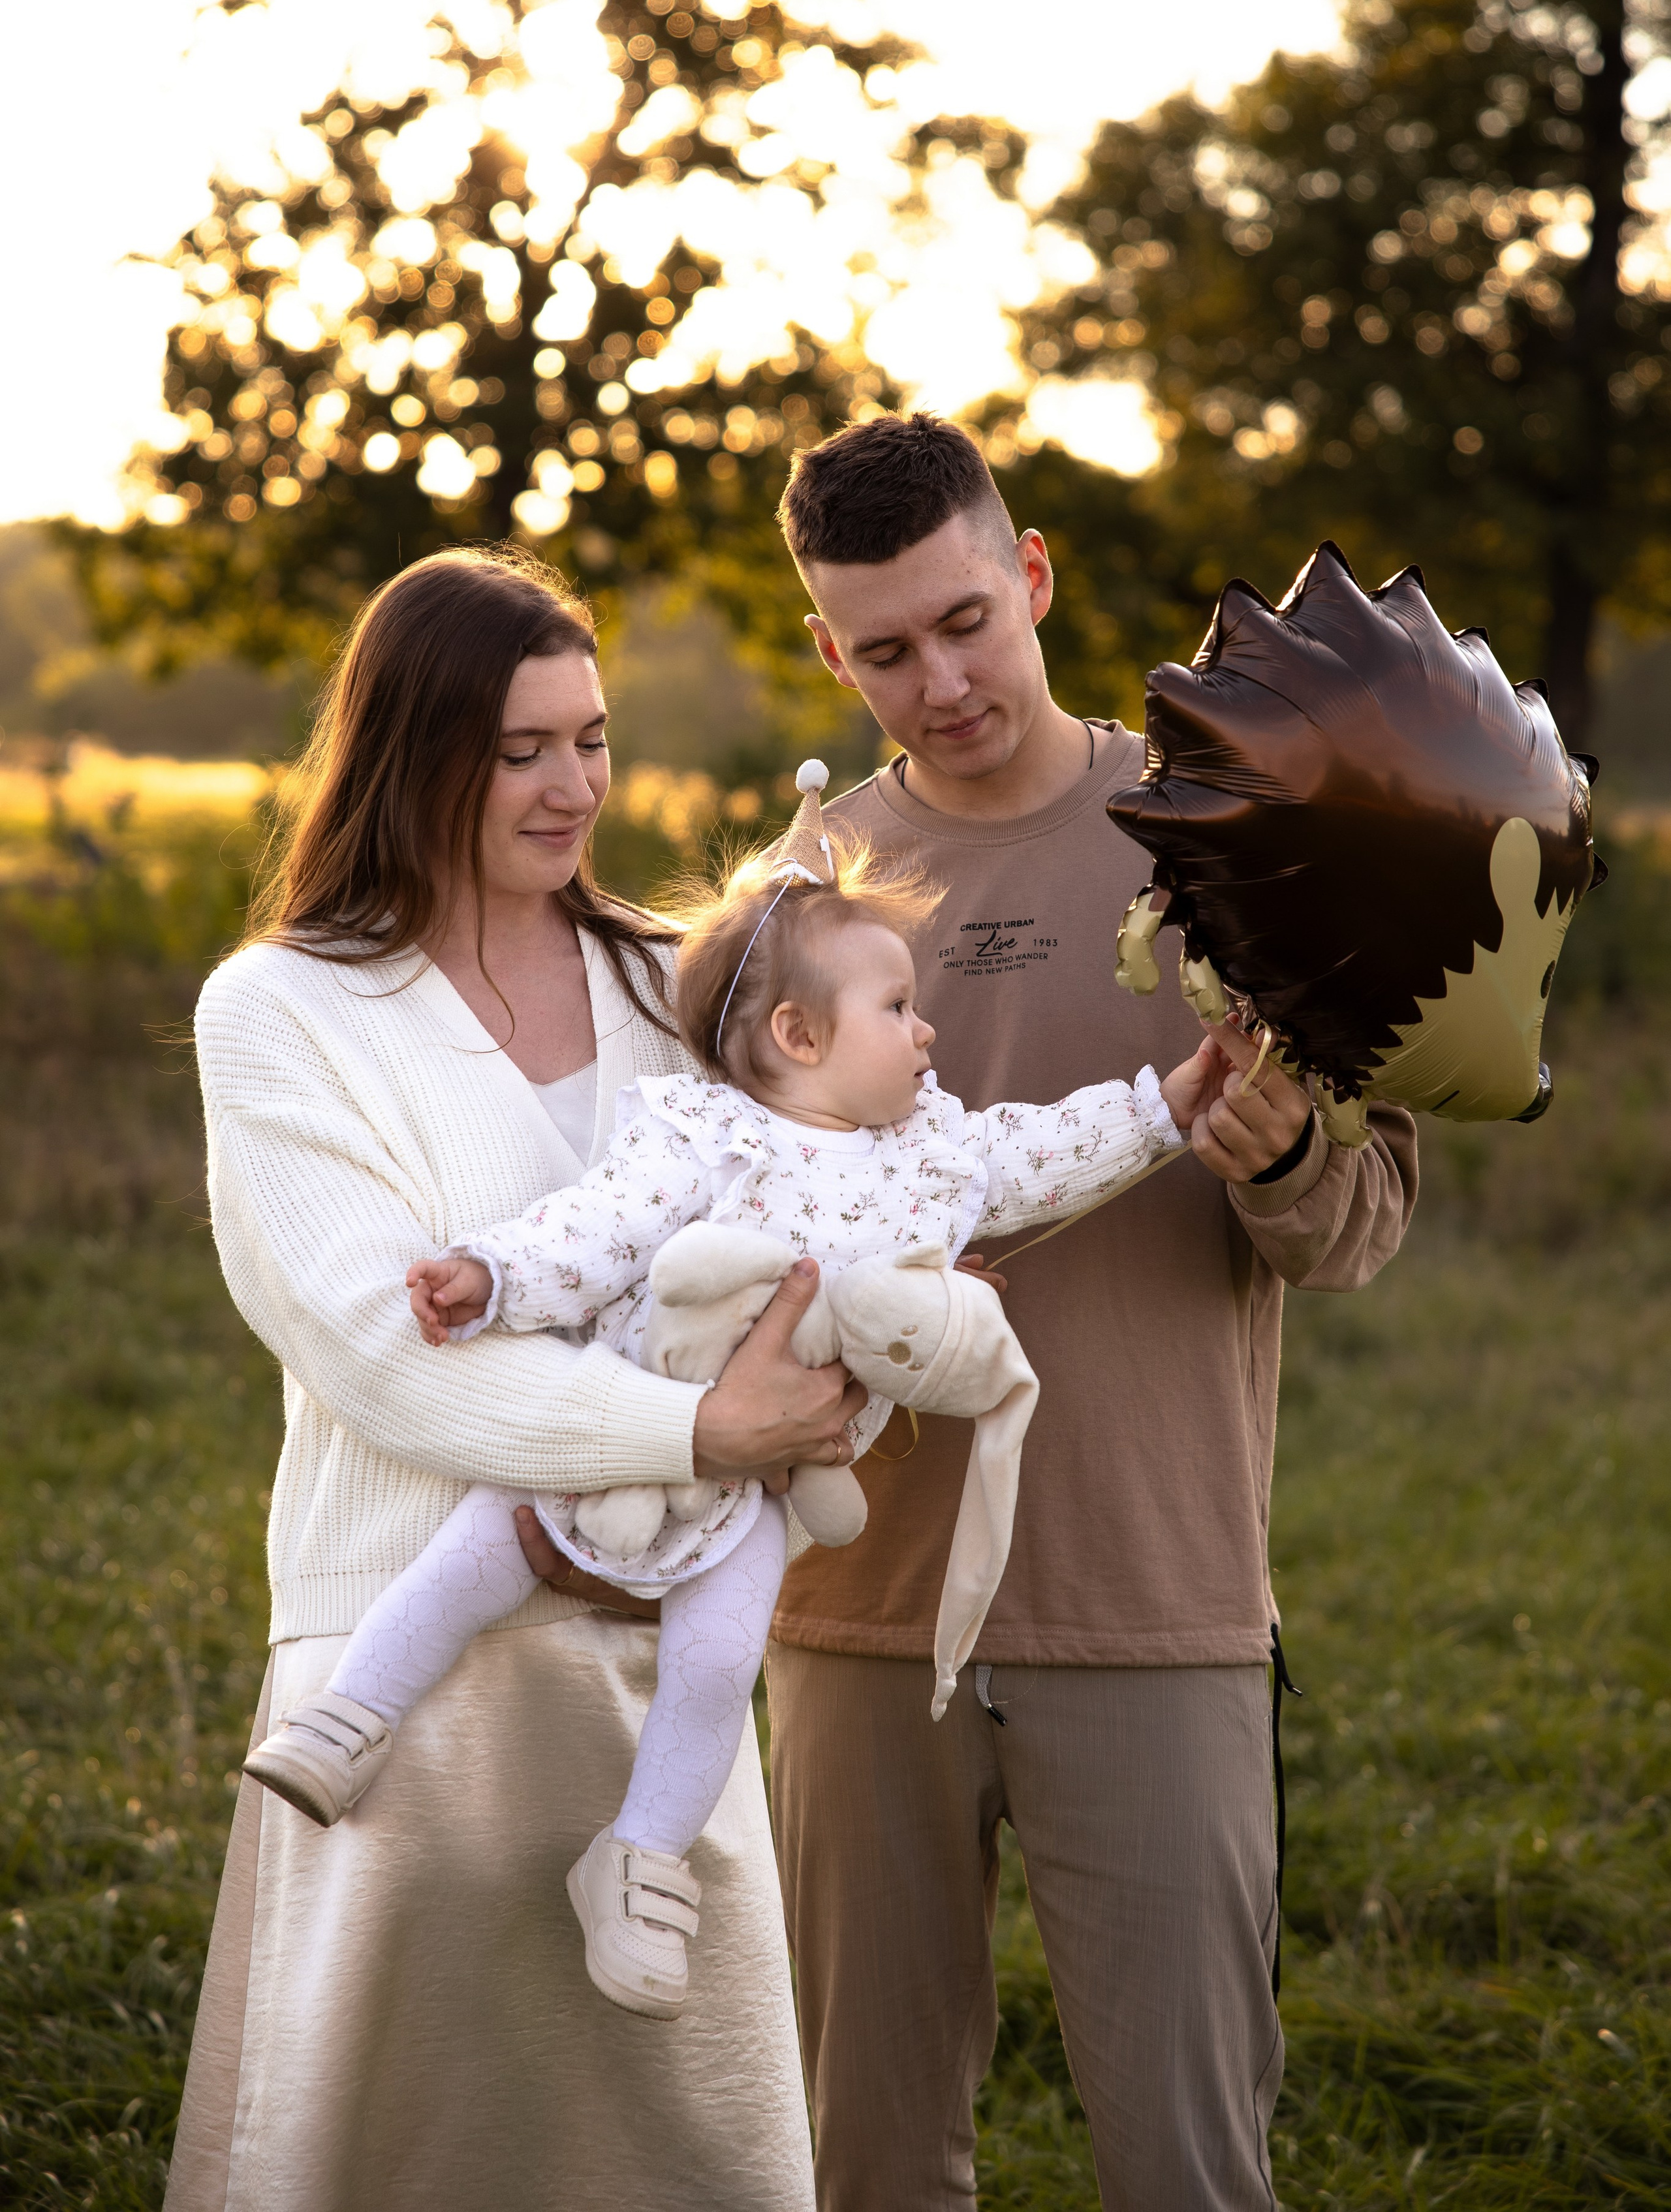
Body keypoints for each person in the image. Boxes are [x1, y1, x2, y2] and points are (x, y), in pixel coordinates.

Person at [242, 777, 1216, 2025]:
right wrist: (493, 1277)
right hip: (623, 1425)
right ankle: (351, 1718)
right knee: (472, 1557)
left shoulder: (935, 1150)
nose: (928, 1033)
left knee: (716, 1666)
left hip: (757, 1494)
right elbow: (595, 1229)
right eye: (898, 1008)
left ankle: (640, 1862)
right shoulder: (705, 1134)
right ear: (799, 1036)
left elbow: (1044, 1150)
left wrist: (1162, 1110)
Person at [770, 416, 1416, 2209]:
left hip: (1155, 1602)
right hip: (855, 1616)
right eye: (884, 650)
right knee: (866, 2166)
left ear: (1033, 575)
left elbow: (1359, 1229)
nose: (939, 681)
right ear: (827, 652)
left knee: (1188, 2170)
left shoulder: (1237, 835)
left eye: (965, 621)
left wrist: (1282, 1158)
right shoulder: (801, 893)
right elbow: (717, 1214)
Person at [166, 549, 861, 2212]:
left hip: (662, 1673)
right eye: (519, 750)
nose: (574, 787)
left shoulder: (674, 984)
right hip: (409, 1669)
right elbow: (382, 1351)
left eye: (592, 739)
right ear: (413, 754)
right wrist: (694, 1430)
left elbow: (823, 1212)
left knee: (671, 2157)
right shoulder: (281, 1011)